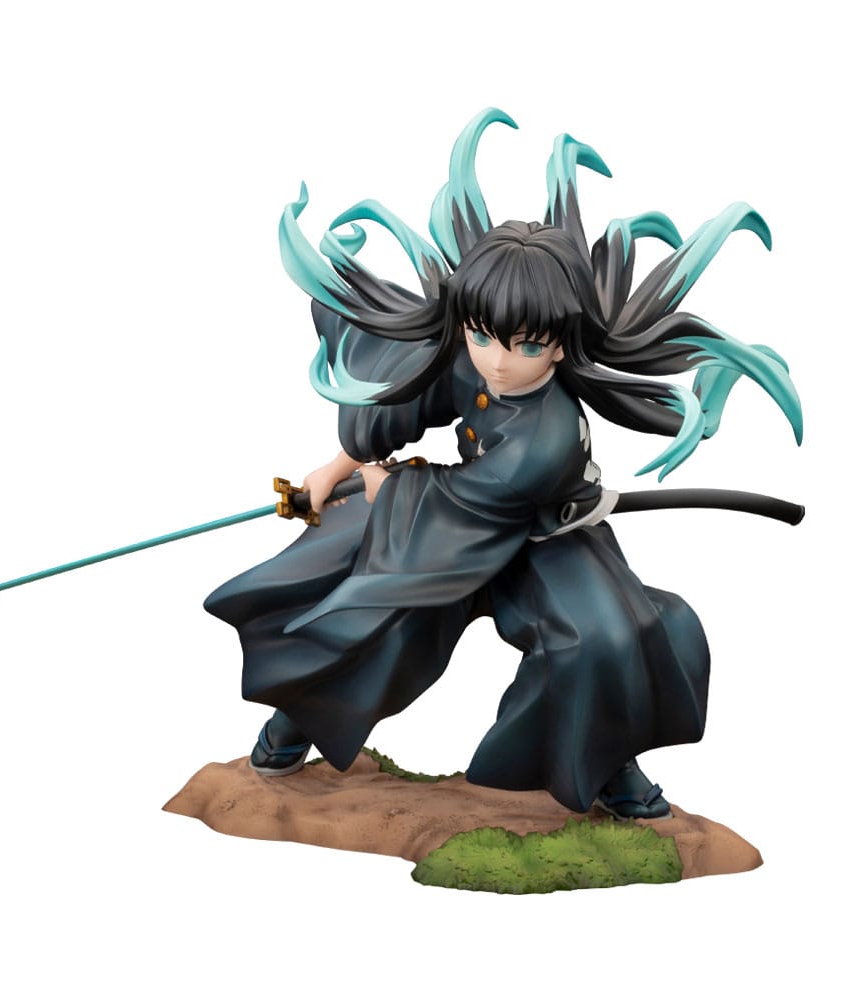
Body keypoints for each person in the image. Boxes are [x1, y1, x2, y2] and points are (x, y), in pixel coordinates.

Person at [204, 109, 802, 819]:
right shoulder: (467, 354)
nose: (496, 360)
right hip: (447, 528)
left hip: (544, 539)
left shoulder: (548, 436)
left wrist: (388, 488)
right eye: (482, 335)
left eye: (526, 345)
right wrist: (337, 469)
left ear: (562, 342)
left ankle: (609, 768)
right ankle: (295, 721)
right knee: (366, 599)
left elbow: (470, 500)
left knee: (605, 638)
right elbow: (403, 405)